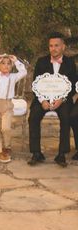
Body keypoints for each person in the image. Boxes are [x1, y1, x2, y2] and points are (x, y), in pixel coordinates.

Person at [28, 32, 77, 167]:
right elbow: (35, 84)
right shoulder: (41, 61)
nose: (53, 48)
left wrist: (61, 99)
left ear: (63, 47)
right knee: (33, 117)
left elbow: (73, 85)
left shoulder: (70, 62)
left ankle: (61, 154)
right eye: (51, 46)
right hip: (42, 99)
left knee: (66, 117)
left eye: (56, 45)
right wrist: (42, 100)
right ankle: (36, 153)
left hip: (62, 99)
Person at [0, 54, 27, 163]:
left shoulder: (13, 77)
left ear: (11, 66)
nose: (6, 66)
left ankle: (7, 146)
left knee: (6, 128)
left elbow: (23, 72)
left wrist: (16, 61)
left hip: (7, 106)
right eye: (3, 63)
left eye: (8, 64)